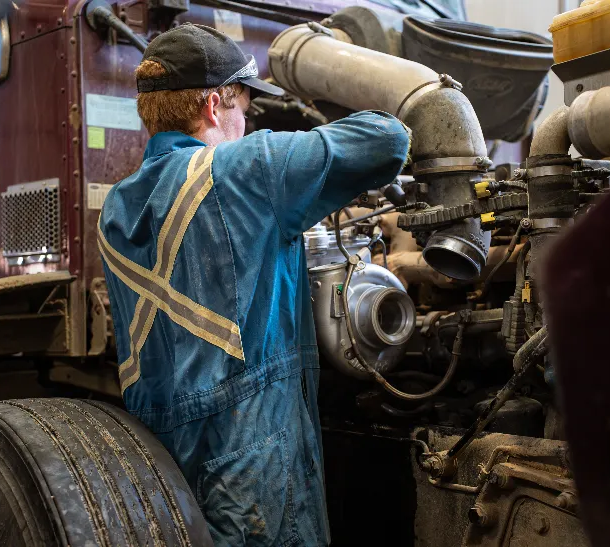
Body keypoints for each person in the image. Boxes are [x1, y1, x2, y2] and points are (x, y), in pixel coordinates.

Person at [98, 23, 410, 547]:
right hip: (251, 439)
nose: (245, 124)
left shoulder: (116, 206)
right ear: (215, 105)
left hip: (160, 443)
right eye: (244, 108)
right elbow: (388, 138)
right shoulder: (246, 169)